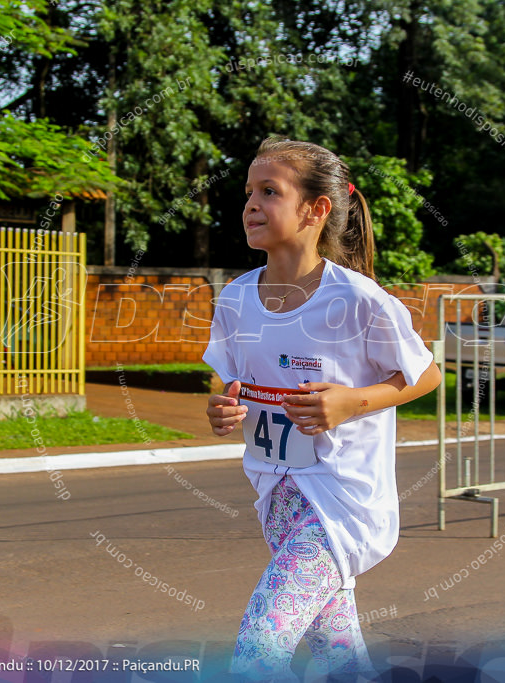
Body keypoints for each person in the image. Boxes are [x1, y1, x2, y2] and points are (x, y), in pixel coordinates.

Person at [203, 137, 441, 681]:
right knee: (340, 656)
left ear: (317, 209)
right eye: (248, 193)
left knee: (257, 648)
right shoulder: (236, 298)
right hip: (277, 495)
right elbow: (230, 378)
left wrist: (353, 402)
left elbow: (425, 374)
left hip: (341, 500)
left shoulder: (357, 299)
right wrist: (220, 409)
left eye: (270, 192)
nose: (251, 205)